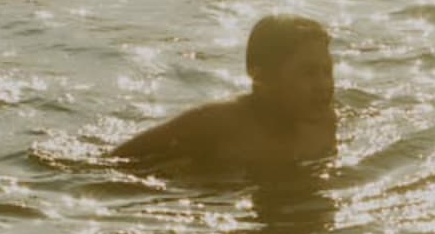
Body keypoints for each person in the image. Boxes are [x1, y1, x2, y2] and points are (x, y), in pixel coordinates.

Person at [112, 15, 337, 179]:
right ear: (260, 76)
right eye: (308, 73)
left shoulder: (326, 124)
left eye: (327, 71)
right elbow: (115, 162)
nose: (323, 85)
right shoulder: (219, 123)